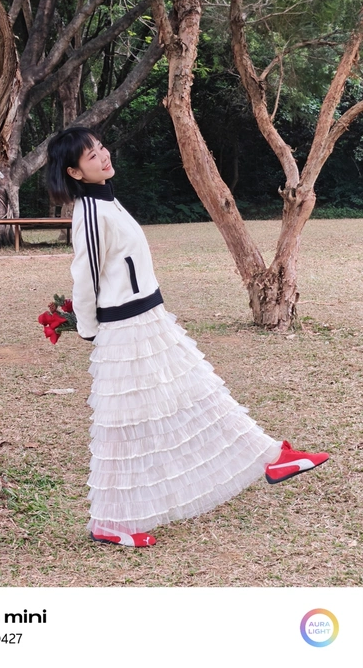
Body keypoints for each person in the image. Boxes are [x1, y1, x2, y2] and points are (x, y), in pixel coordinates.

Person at [46, 126, 329, 548]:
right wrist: (86, 328)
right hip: (127, 330)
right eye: (91, 156)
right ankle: (109, 522)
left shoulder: (107, 199)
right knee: (123, 424)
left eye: (101, 147)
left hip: (150, 319)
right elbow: (85, 276)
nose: (103, 156)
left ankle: (271, 456)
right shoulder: (89, 211)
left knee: (199, 390)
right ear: (74, 172)